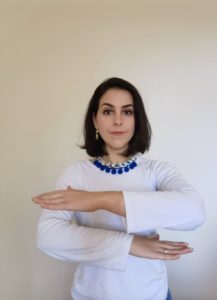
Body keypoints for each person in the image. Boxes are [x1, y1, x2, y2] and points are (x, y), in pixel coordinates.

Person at [33, 77, 205, 300]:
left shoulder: (157, 170)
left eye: (127, 112)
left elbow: (195, 211)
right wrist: (130, 244)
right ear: (95, 120)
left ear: (137, 120)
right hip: (92, 294)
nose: (117, 121)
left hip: (152, 293)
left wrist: (99, 200)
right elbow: (48, 236)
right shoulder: (75, 174)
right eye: (107, 111)